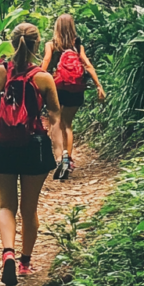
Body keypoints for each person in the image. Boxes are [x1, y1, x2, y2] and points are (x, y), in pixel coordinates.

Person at [0, 23, 62, 286]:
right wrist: (58, 149)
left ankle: (7, 251)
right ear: (37, 45)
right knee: (29, 209)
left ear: (12, 41)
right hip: (34, 146)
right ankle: (25, 262)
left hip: (2, 144)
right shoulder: (44, 78)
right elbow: (54, 114)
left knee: (6, 205)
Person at [41, 14, 105, 179]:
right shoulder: (77, 46)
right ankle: (67, 160)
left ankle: (59, 157)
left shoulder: (52, 45)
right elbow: (87, 65)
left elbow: (46, 63)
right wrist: (99, 85)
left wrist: (37, 81)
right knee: (67, 124)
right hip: (76, 89)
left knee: (56, 123)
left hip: (57, 89)